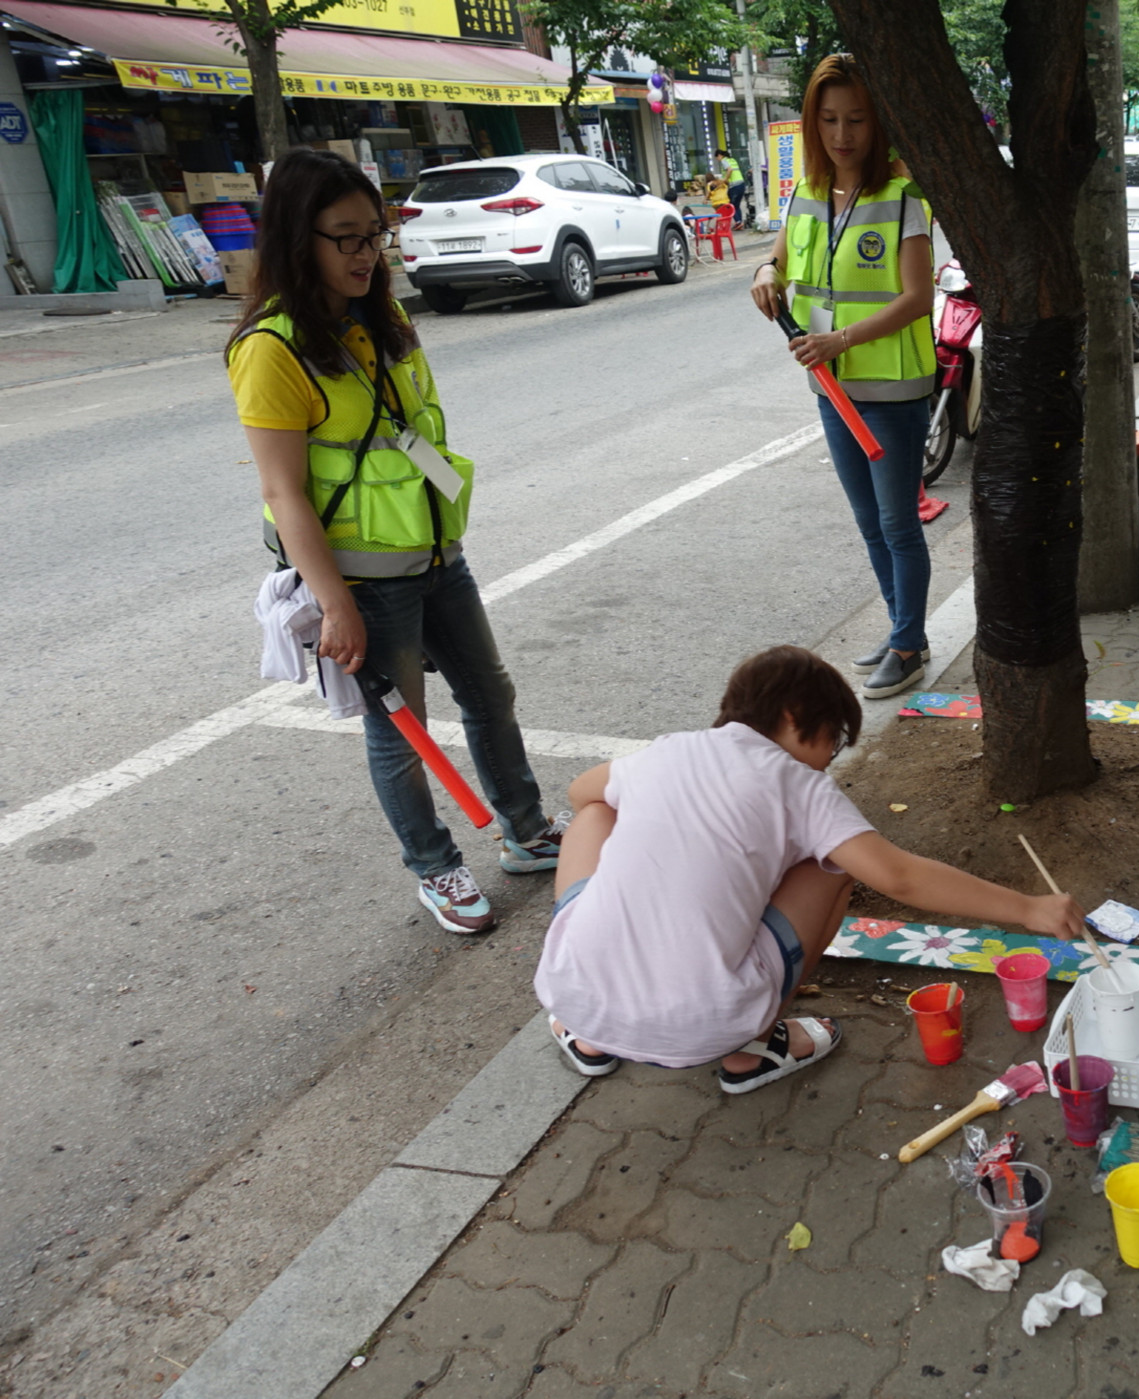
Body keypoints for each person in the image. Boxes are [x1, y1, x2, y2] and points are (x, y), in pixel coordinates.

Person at [226, 149, 565, 935]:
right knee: (402, 730)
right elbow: (282, 491)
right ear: (294, 238)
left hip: (437, 552)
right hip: (365, 578)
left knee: (491, 693)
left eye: (374, 234)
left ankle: (525, 828)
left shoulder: (385, 314)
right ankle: (435, 866)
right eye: (344, 238)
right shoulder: (270, 350)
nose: (366, 253)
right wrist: (336, 602)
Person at [535, 646, 1087, 1088]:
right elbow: (899, 876)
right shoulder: (799, 784)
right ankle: (755, 1052)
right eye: (834, 741)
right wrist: (1028, 908)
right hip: (711, 1023)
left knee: (596, 811)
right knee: (834, 865)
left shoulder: (667, 750)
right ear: (795, 717)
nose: (830, 758)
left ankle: (591, 1041)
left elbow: (582, 792)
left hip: (573, 995)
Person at [749, 54, 937, 701]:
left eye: (855, 118)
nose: (842, 133)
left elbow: (917, 297)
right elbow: (777, 255)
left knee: (898, 524)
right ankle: (901, 627)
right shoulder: (805, 194)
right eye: (828, 119)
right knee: (869, 523)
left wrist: (841, 338)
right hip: (832, 389)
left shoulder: (902, 196)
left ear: (876, 121)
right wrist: (765, 274)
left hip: (894, 389)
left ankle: (909, 646)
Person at [716, 147, 748, 228]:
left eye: (717, 158)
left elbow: (729, 170)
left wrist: (724, 180)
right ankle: (739, 222)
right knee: (736, 205)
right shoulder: (732, 160)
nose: (718, 160)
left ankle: (738, 221)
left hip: (734, 186)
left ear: (719, 155)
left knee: (731, 206)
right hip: (741, 183)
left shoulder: (724, 160)